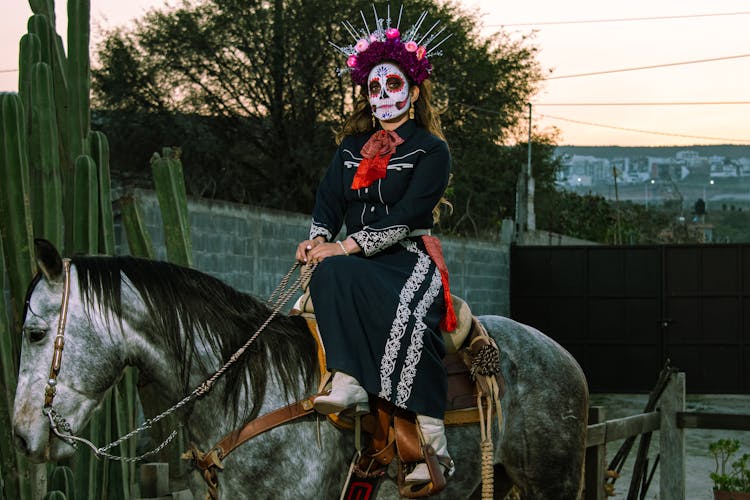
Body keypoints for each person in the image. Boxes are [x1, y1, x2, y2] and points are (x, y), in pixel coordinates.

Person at [295, 7, 455, 484]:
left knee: (407, 316)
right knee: (323, 274)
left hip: (406, 257)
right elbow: (328, 201)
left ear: (414, 90)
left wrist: (345, 247)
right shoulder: (349, 149)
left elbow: (409, 215)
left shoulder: (431, 150)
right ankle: (346, 381)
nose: (383, 96)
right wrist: (318, 240)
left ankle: (431, 442)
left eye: (393, 86)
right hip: (352, 259)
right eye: (374, 88)